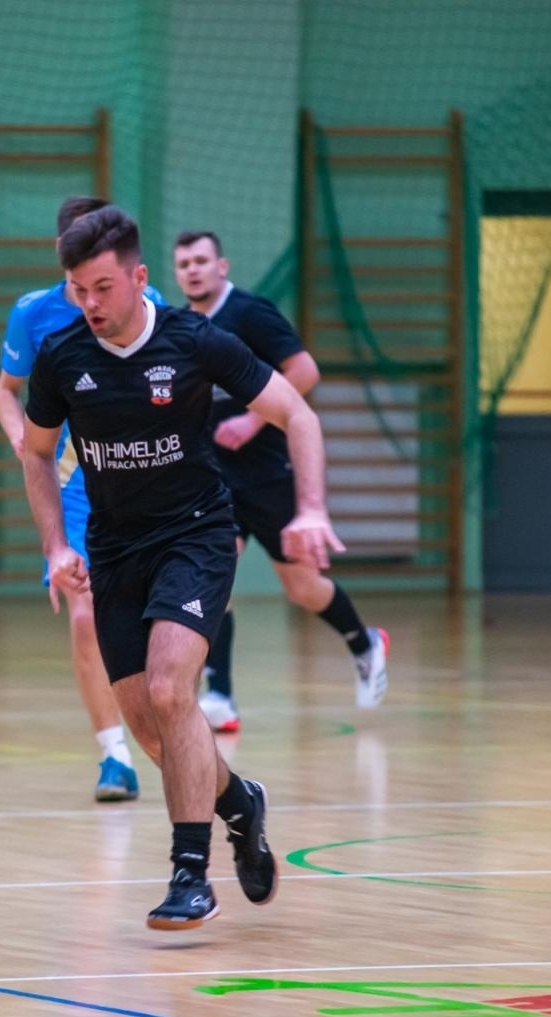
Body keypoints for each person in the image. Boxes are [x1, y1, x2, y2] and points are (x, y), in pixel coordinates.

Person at [22, 206, 342, 930]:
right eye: (79, 290)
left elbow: (299, 413)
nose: (91, 304)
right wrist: (55, 545)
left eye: (103, 287)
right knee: (153, 729)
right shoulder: (63, 359)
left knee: (172, 688)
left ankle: (190, 873)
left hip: (196, 535)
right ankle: (240, 803)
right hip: (114, 549)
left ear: (139, 278)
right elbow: (36, 452)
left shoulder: (196, 342)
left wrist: (311, 507)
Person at [173, 230, 389, 731]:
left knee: (301, 586)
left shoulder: (250, 314)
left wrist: (252, 419)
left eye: (202, 261)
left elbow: (305, 371)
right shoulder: (181, 327)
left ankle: (363, 641)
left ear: (222, 266)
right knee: (214, 579)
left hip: (270, 472)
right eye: (184, 263)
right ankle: (220, 696)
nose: (193, 270)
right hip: (215, 478)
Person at [0, 196, 165, 804]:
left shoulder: (151, 309)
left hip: (143, 484)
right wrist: (22, 440)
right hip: (74, 491)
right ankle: (114, 756)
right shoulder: (34, 316)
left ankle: (183, 720)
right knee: (88, 619)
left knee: (162, 622)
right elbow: (6, 390)